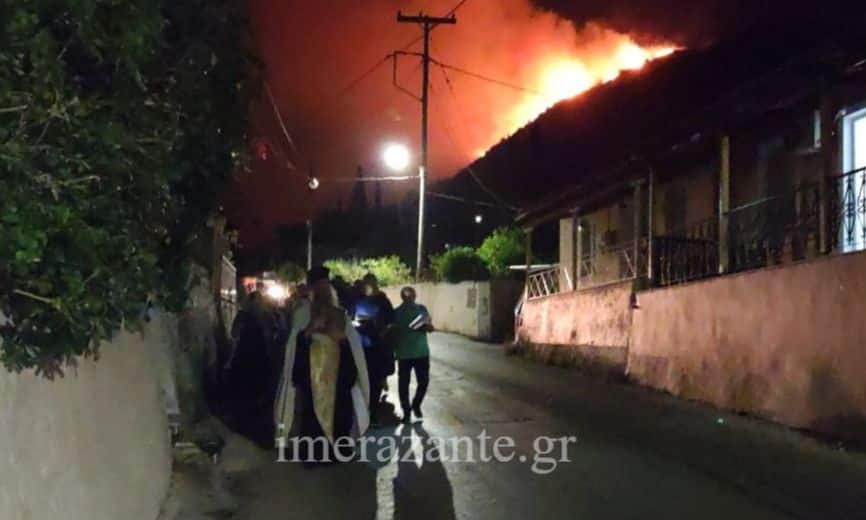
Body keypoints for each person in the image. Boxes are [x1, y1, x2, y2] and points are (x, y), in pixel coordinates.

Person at [274, 266, 370, 463]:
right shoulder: (303, 314)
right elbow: (296, 343)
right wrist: (309, 332)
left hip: (337, 375)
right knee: (311, 417)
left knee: (339, 414)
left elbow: (352, 346)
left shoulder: (341, 315)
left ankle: (337, 453)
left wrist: (340, 340)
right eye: (319, 288)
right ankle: (313, 455)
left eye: (325, 288)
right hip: (311, 375)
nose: (322, 293)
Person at [353, 273, 395, 424]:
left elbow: (391, 322)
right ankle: (364, 411)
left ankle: (373, 411)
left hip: (377, 346)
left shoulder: (383, 301)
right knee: (363, 380)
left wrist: (380, 331)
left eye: (368, 284)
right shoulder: (360, 300)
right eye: (365, 284)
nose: (366, 287)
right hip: (361, 345)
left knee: (375, 380)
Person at [393, 286, 433, 422]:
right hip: (411, 353)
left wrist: (427, 327)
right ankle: (409, 409)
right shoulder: (397, 312)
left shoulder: (420, 309)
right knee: (412, 383)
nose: (410, 297)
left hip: (415, 353)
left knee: (412, 383)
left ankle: (412, 407)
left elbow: (429, 326)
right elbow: (393, 333)